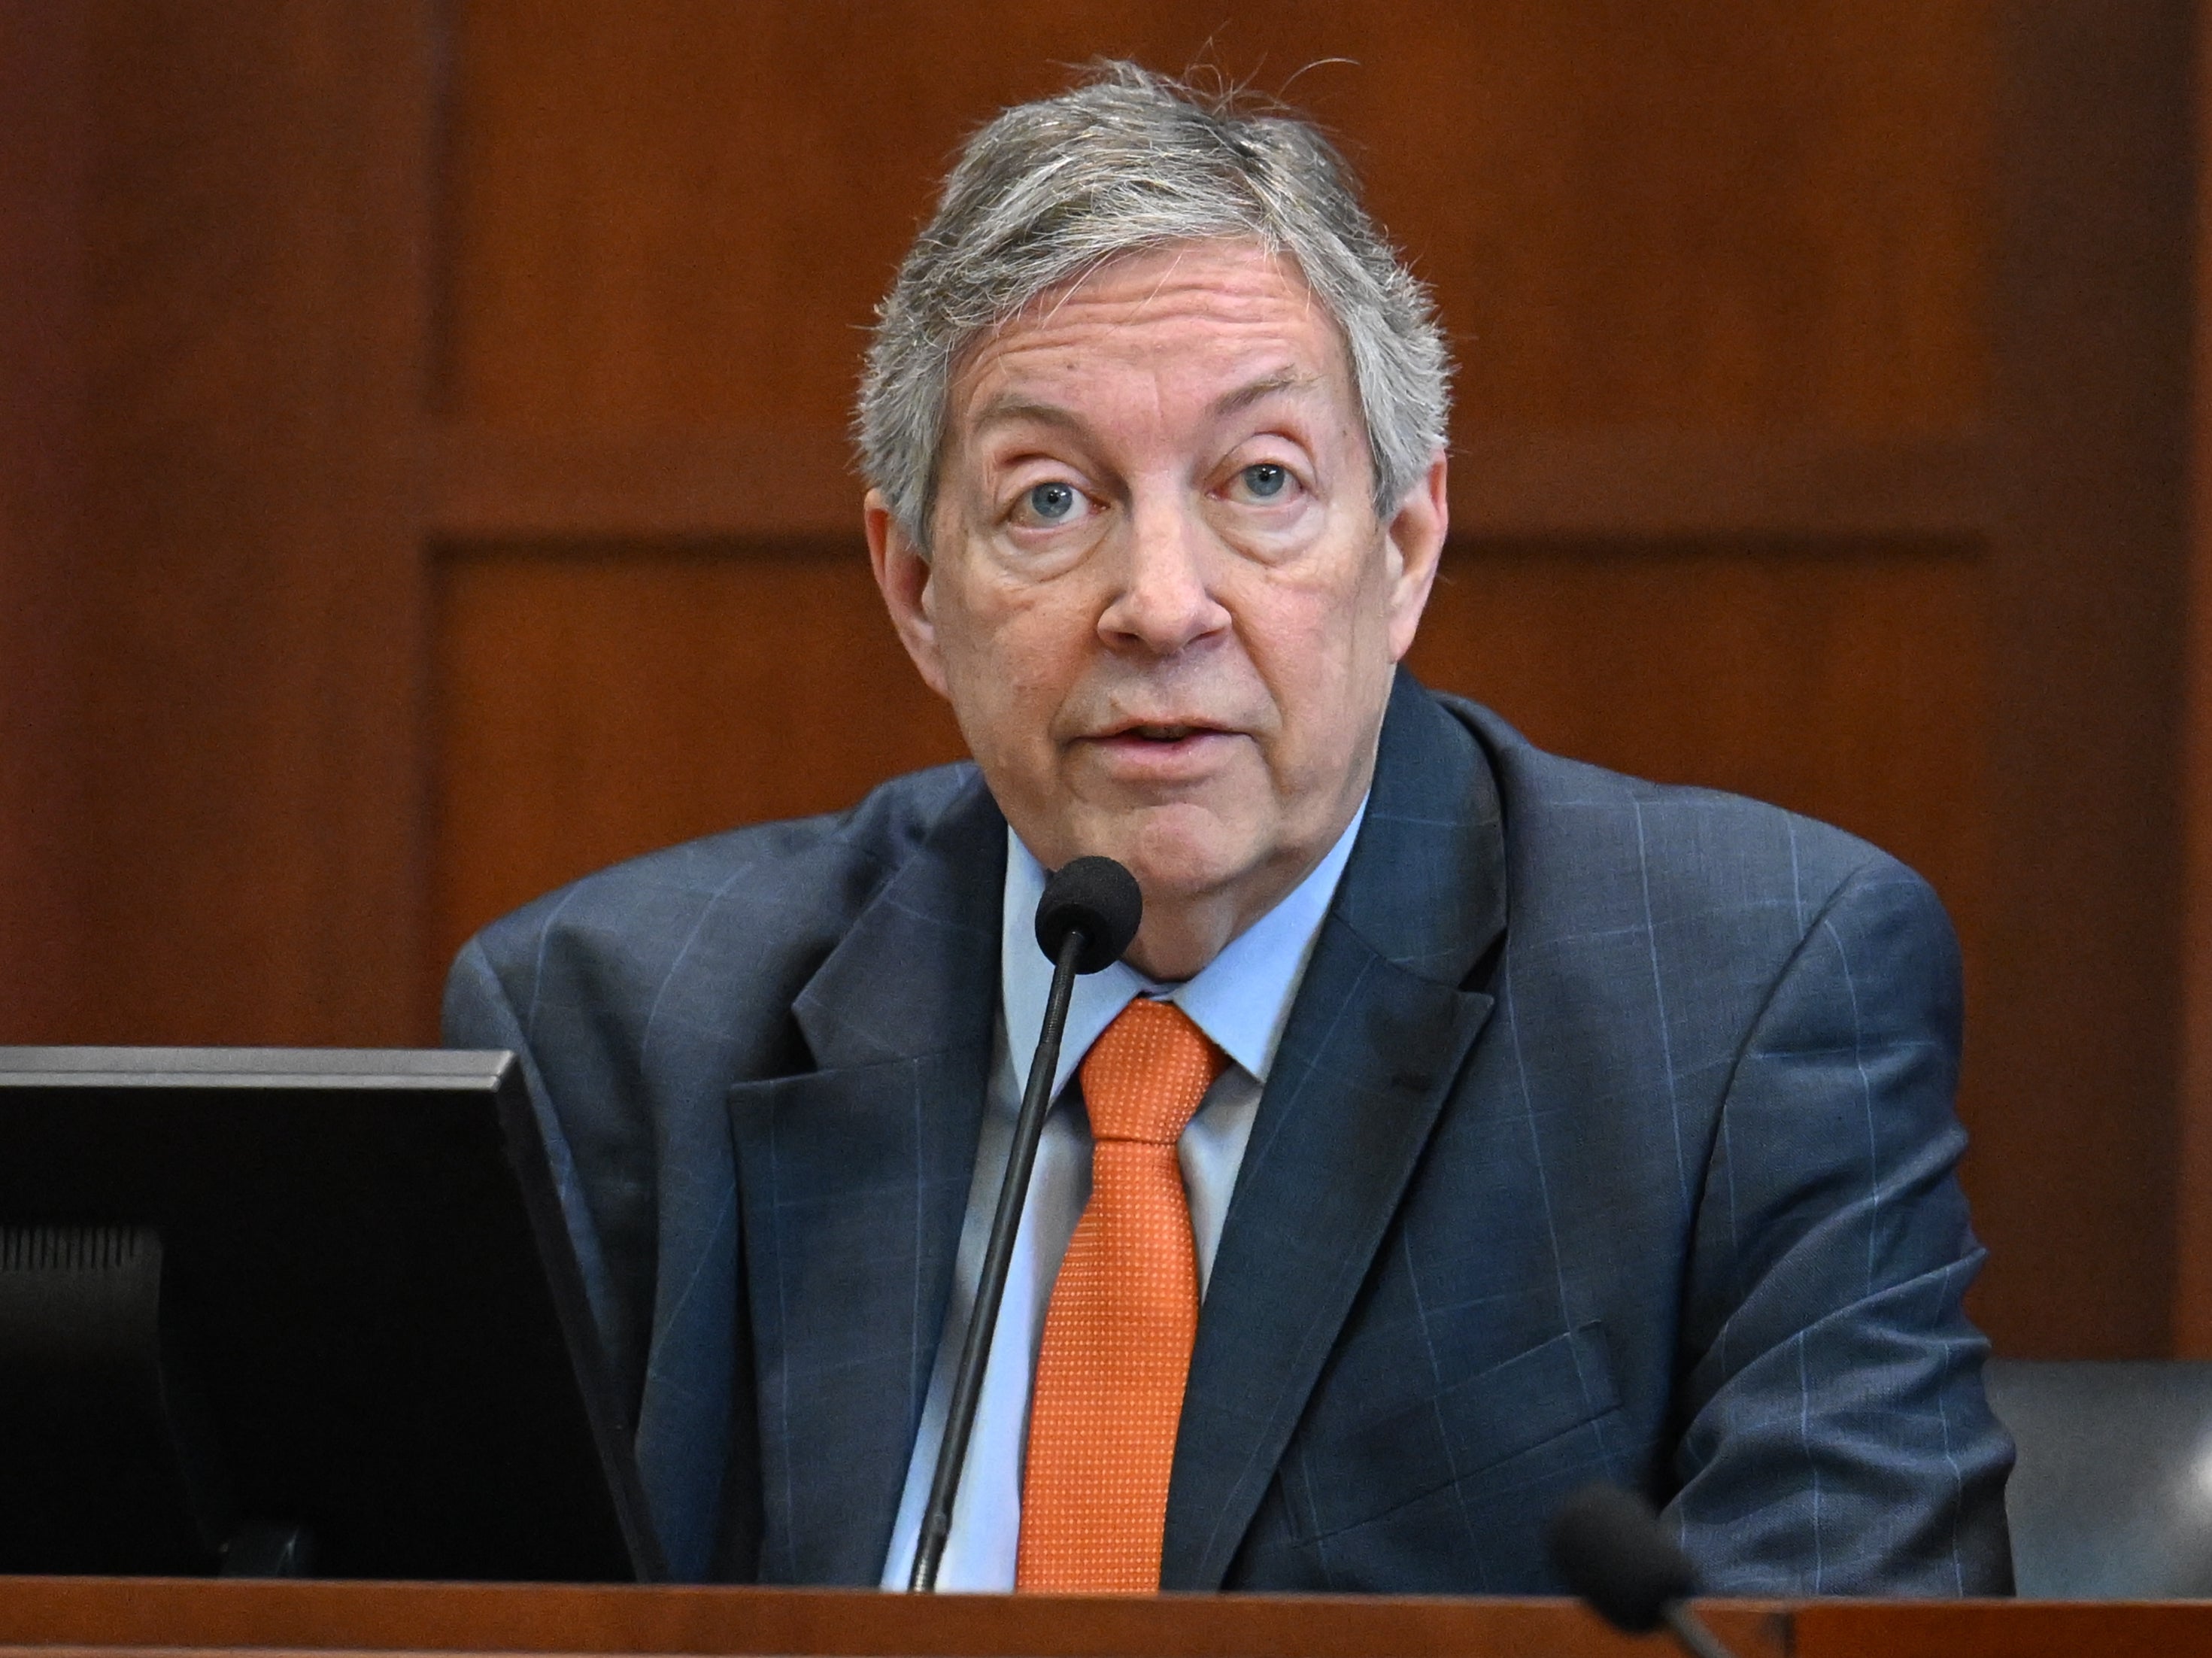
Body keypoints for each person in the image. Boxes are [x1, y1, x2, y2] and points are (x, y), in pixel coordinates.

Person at [445, 62, 2013, 1596]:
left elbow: (1849, 1625)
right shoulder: (619, 1030)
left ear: (1401, 547)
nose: (1162, 604)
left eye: (1260, 479)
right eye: (1050, 499)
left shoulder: (1740, 1006)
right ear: (917, 590)